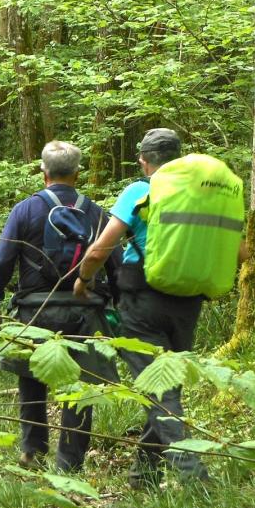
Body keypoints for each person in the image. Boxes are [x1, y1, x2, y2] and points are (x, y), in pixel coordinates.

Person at [73, 128, 210, 486]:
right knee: (165, 386)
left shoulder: (139, 191)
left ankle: (193, 475)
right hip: (188, 303)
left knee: (159, 389)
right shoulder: (199, 193)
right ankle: (143, 475)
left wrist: (83, 280)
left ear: (145, 162)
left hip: (143, 302)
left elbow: (101, 248)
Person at [0, 141, 121, 472]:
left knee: (32, 375)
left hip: (34, 310)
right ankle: (69, 462)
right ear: (78, 174)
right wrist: (119, 309)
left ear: (43, 172)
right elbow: (115, 266)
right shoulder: (98, 214)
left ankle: (32, 449)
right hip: (85, 311)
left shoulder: (25, 210)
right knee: (81, 385)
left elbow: (1, 262)